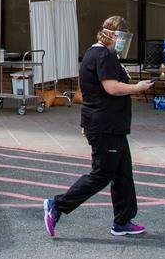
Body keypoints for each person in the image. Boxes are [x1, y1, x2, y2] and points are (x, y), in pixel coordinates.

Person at [43, 15, 154, 239]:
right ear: (113, 35)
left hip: (109, 125)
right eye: (123, 37)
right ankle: (57, 205)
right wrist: (138, 87)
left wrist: (85, 124)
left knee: (123, 174)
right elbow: (111, 88)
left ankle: (122, 221)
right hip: (106, 126)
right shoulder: (103, 55)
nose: (124, 42)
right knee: (101, 174)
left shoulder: (97, 54)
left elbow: (91, 94)